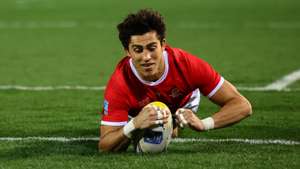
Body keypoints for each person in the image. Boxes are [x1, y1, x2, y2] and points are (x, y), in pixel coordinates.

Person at [98, 9, 252, 152]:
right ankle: (160, 126)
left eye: (152, 48)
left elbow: (242, 106)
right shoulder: (120, 83)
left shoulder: (187, 65)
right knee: (128, 137)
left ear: (163, 44)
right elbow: (104, 146)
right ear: (127, 51)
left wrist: (204, 124)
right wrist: (133, 125)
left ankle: (175, 123)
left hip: (181, 103)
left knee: (168, 133)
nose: (146, 57)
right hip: (137, 112)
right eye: (138, 50)